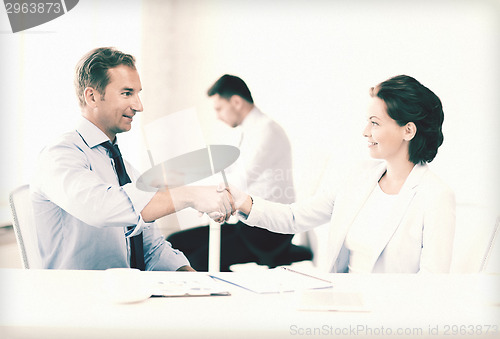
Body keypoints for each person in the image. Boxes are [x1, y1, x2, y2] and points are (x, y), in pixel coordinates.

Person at [31, 47, 234, 271]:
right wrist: (188, 196)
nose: (139, 106)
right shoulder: (59, 156)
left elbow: (152, 249)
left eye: (138, 94)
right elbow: (102, 208)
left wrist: (198, 284)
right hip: (78, 299)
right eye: (127, 93)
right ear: (92, 96)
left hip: (124, 295)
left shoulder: (124, 168)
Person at [227, 75, 455, 273]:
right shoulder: (357, 177)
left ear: (408, 130)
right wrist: (243, 202)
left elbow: (431, 282)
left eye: (375, 123)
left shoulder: (436, 196)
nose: (365, 132)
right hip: (342, 302)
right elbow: (294, 217)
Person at [167, 74, 312, 271]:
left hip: (268, 231)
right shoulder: (252, 130)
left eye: (219, 108)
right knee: (175, 243)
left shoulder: (266, 131)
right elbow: (230, 174)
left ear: (236, 101)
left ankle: (224, 296)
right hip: (249, 224)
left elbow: (239, 181)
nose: (217, 116)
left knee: (200, 261)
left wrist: (199, 198)